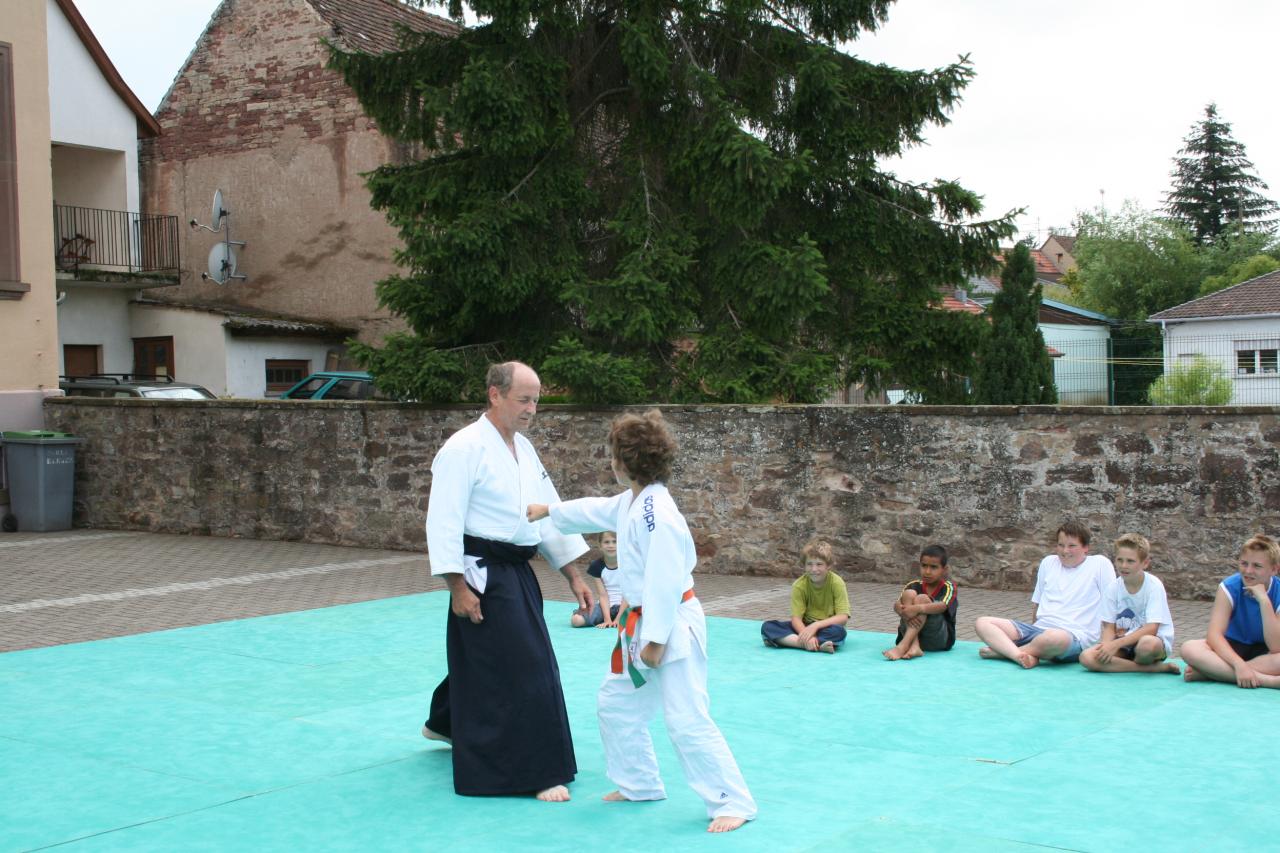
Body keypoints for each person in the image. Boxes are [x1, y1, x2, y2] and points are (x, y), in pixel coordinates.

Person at [527, 410, 757, 833]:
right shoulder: (634, 501)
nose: (610, 463)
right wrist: (550, 510)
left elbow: (666, 582)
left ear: (626, 462)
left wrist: (654, 640)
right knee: (615, 704)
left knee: (686, 718)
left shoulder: (659, 515)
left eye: (613, 456)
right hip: (640, 621)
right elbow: (596, 509)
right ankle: (638, 783)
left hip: (670, 624)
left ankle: (733, 801)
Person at [421, 361, 595, 803]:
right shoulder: (463, 449)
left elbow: (546, 511)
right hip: (480, 572)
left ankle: (443, 721)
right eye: (524, 399)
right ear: (495, 395)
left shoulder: (524, 449)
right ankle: (530, 771)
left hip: (517, 570)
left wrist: (573, 571)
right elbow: (443, 522)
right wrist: (456, 587)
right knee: (525, 664)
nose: (532, 409)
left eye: (536, 400)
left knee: (490, 655)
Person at [974, 521, 1115, 668]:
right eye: (1061, 545)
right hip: (1039, 631)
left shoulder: (1100, 564)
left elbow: (1111, 605)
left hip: (1074, 636)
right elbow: (1038, 604)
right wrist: (1034, 633)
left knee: (1053, 638)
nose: (1065, 551)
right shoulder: (1048, 562)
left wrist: (1109, 642)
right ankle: (1020, 655)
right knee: (983, 622)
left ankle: (1004, 652)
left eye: (1072, 546)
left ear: (1086, 547)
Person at [1180, 534, 1280, 688]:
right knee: (1189, 648)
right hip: (1231, 649)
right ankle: (1267, 681)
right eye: (1244, 563)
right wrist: (1239, 665)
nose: (1248, 571)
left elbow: (1275, 646)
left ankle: (1212, 673)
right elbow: (1214, 635)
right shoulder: (1229, 586)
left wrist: (1264, 601)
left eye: (1257, 566)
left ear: (1274, 569)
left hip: (1265, 653)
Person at [1079, 533, 1180, 675]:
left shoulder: (1154, 586)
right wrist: (1107, 647)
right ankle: (1154, 669)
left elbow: (1151, 628)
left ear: (1145, 563)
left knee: (1146, 645)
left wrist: (1116, 644)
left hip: (1151, 642)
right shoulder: (1112, 588)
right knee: (1087, 657)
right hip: (1123, 644)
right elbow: (1108, 627)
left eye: (1130, 561)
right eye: (1120, 560)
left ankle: (1128, 665)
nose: (1124, 566)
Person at [759, 539, 850, 653]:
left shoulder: (837, 583)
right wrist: (807, 634)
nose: (814, 569)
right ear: (804, 565)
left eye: (819, 564)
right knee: (768, 627)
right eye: (809, 564)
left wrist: (816, 625)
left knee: (838, 632)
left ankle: (789, 641)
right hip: (803, 626)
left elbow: (843, 617)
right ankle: (811, 644)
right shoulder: (799, 585)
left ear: (828, 566)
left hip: (826, 627)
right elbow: (796, 619)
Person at [883, 544, 958, 660]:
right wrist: (900, 609)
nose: (927, 571)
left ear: (944, 569)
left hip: (938, 639)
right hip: (916, 637)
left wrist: (917, 608)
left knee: (922, 598)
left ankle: (903, 646)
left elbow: (943, 606)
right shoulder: (913, 585)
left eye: (933, 567)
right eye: (924, 566)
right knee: (909, 594)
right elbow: (898, 605)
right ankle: (914, 645)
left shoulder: (948, 587)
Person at [571, 531, 624, 628]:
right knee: (576, 620)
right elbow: (603, 595)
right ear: (600, 545)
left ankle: (619, 618)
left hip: (626, 607)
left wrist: (618, 619)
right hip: (605, 607)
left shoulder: (628, 564)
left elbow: (628, 595)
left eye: (615, 542)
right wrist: (607, 619)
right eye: (606, 542)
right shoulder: (596, 566)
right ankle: (608, 617)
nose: (611, 545)